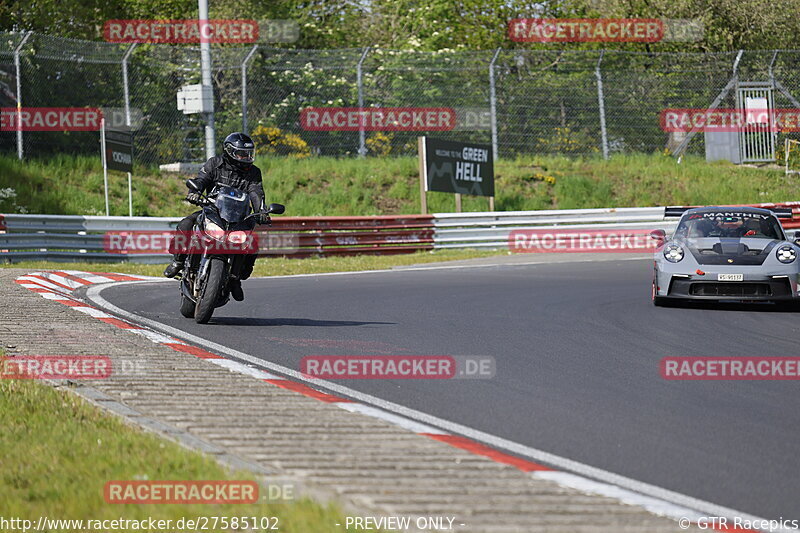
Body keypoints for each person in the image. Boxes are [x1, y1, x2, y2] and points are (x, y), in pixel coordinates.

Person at [163, 132, 271, 301]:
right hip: (213, 210)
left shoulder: (253, 172)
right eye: (242, 153)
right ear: (229, 151)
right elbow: (201, 179)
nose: (246, 157)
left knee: (252, 243)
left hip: (239, 217)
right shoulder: (215, 163)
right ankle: (178, 261)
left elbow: (256, 192)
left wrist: (262, 211)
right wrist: (194, 191)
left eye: (249, 154)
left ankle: (235, 278)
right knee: (185, 225)